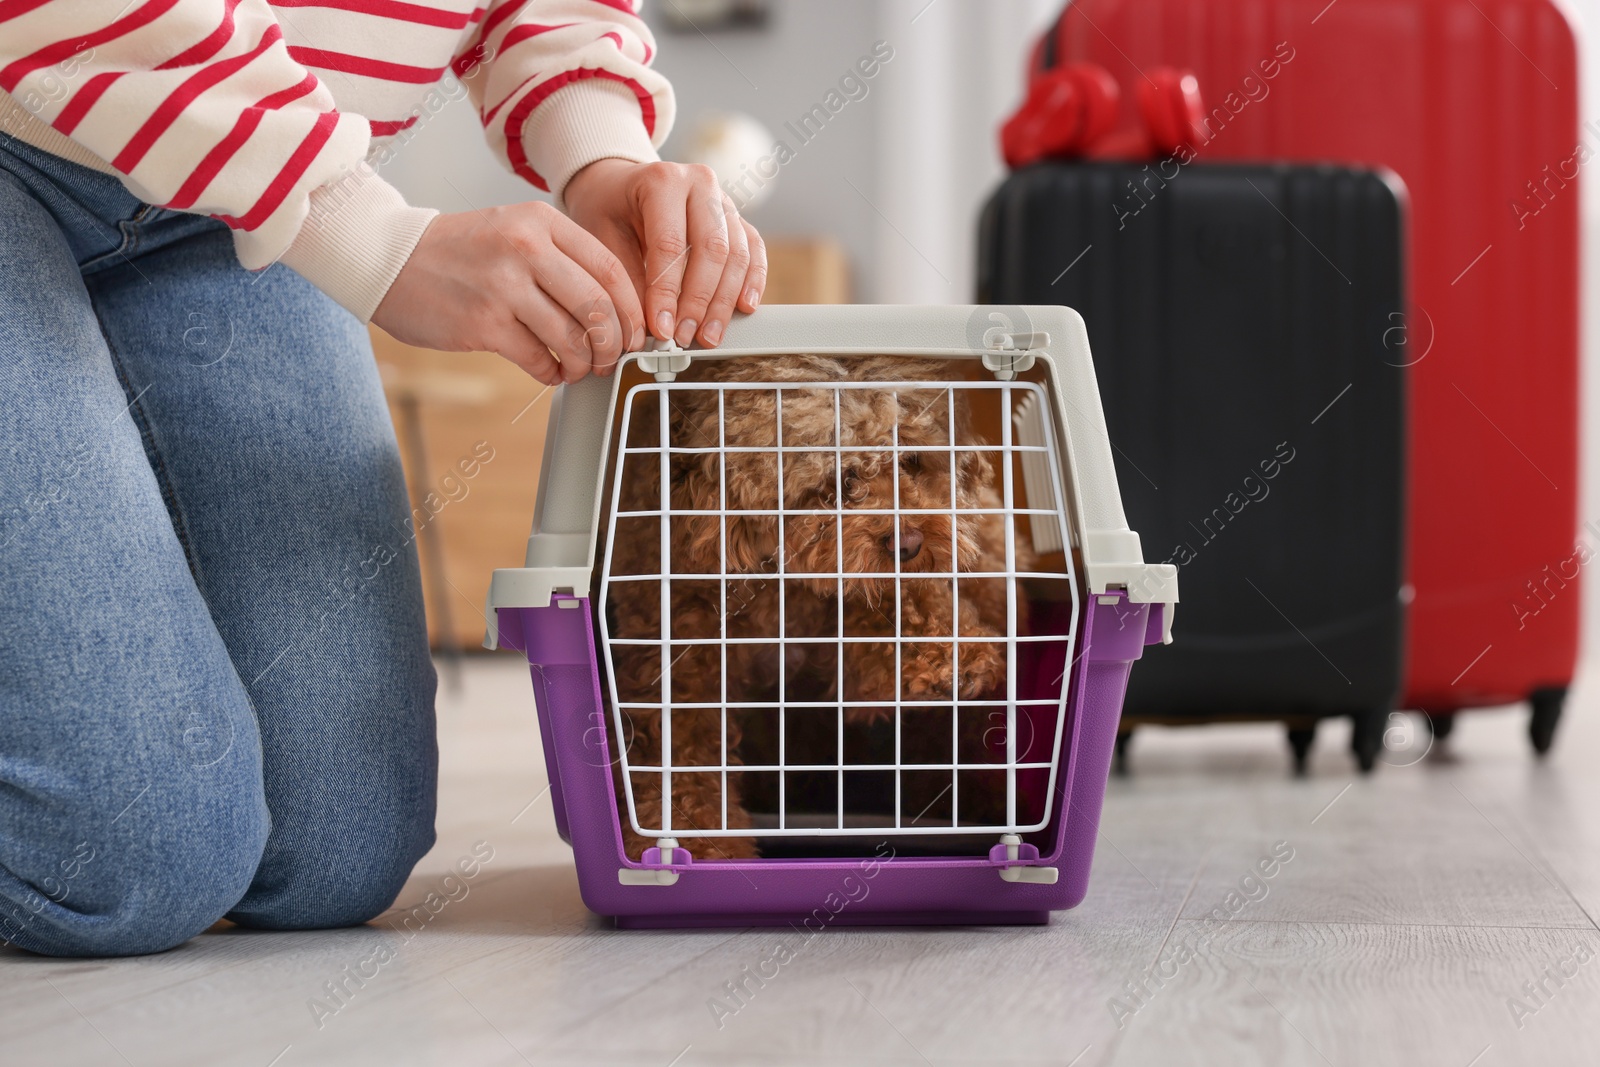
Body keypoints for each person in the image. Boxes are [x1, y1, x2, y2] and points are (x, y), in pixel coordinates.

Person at [0, 0, 763, 958]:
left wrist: (602, 152)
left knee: (337, 854)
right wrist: (366, 237)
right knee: (128, 862)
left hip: (232, 197)